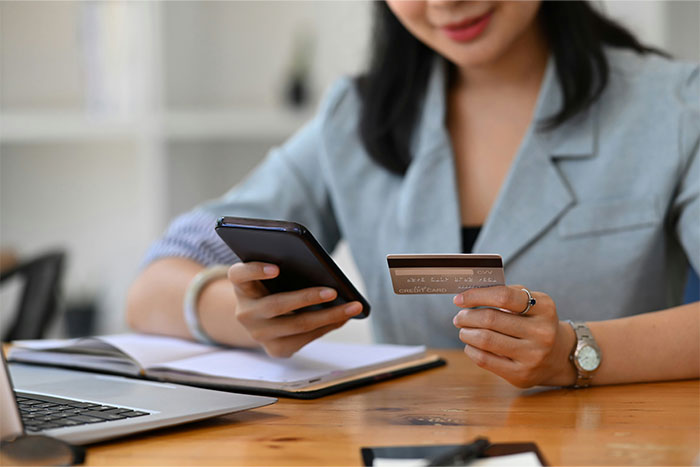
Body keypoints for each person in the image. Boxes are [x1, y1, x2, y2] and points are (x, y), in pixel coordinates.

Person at [126, 0, 699, 389]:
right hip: (410, 444)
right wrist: (242, 314)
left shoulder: (675, 106)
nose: (446, 2)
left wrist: (573, 352)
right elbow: (153, 286)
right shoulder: (354, 117)